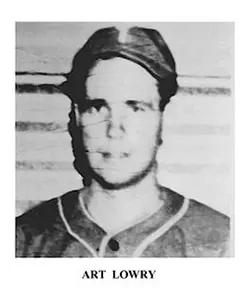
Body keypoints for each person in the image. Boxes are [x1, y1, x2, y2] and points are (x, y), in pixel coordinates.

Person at [16, 26, 230, 257]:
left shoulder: (223, 241)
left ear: (162, 117)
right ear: (77, 117)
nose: (114, 129)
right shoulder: (23, 241)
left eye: (135, 107)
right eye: (97, 107)